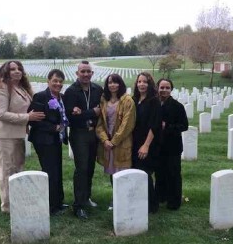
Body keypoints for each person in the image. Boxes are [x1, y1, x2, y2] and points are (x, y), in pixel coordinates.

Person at [0, 60, 45, 213]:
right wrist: (27, 117)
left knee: (18, 166)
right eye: (12, 69)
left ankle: (16, 198)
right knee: (7, 169)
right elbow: (1, 114)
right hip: (5, 134)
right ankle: (7, 205)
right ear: (5, 71)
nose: (17, 71)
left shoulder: (21, 87)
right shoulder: (1, 87)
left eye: (19, 68)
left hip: (18, 133)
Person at [63, 61, 103, 219]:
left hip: (94, 133)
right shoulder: (71, 92)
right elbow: (70, 116)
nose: (86, 74)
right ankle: (78, 205)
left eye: (88, 71)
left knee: (91, 168)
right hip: (79, 134)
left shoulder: (97, 89)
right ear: (77, 73)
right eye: (83, 72)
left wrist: (83, 113)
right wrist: (91, 112)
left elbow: (102, 110)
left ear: (92, 73)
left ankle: (86, 197)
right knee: (81, 169)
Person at [28, 69, 69, 215]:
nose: (58, 84)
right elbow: (34, 121)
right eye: (55, 81)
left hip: (56, 140)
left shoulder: (62, 97)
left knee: (57, 170)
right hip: (43, 141)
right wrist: (54, 127)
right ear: (48, 81)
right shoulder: (40, 97)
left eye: (60, 81)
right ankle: (51, 206)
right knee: (50, 171)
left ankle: (59, 201)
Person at [96, 74, 136, 210]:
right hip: (108, 143)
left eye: (115, 82)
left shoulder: (127, 100)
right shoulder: (103, 100)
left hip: (122, 143)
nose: (112, 85)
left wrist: (114, 141)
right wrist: (105, 140)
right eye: (110, 83)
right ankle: (115, 198)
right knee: (113, 173)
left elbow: (127, 124)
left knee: (123, 172)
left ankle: (125, 199)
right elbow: (100, 123)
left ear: (120, 84)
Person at [155, 78, 189, 210]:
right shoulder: (155, 104)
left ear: (171, 89)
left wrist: (167, 126)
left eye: (167, 87)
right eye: (161, 87)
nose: (164, 90)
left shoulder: (177, 106)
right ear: (157, 88)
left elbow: (184, 126)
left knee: (173, 174)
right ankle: (160, 196)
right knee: (159, 173)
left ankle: (174, 201)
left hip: (173, 146)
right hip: (158, 146)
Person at [132, 72, 162, 214]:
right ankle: (139, 200)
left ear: (150, 84)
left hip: (147, 142)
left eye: (145, 82)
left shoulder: (153, 101)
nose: (142, 84)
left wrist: (146, 145)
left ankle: (152, 206)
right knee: (136, 171)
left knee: (145, 173)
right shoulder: (134, 99)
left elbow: (154, 125)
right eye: (139, 82)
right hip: (134, 141)